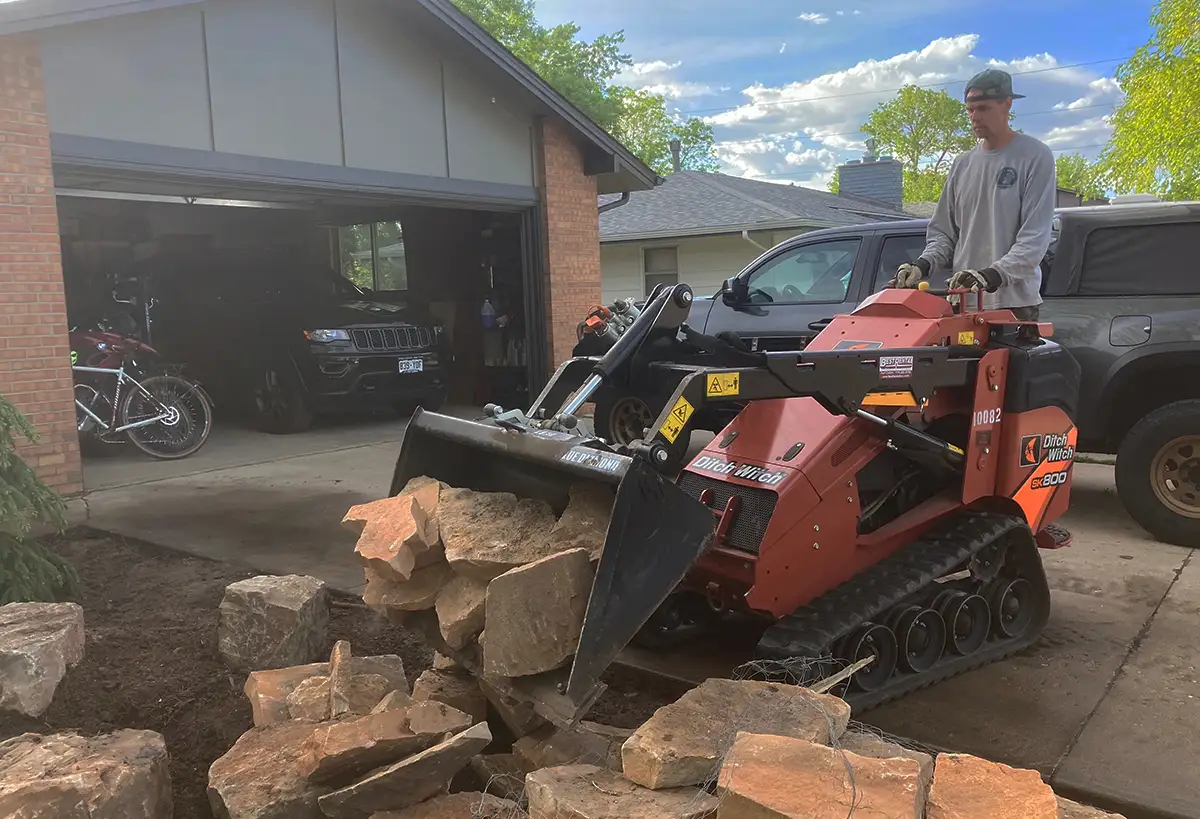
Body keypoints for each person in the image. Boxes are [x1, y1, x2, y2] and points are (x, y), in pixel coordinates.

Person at [891, 69, 1057, 320]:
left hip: (1013, 305)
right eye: (970, 110)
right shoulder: (962, 164)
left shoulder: (1035, 156)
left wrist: (992, 275)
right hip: (963, 302)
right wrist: (922, 265)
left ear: (1007, 105)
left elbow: (1034, 239)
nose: (974, 117)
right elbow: (944, 234)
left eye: (983, 108)